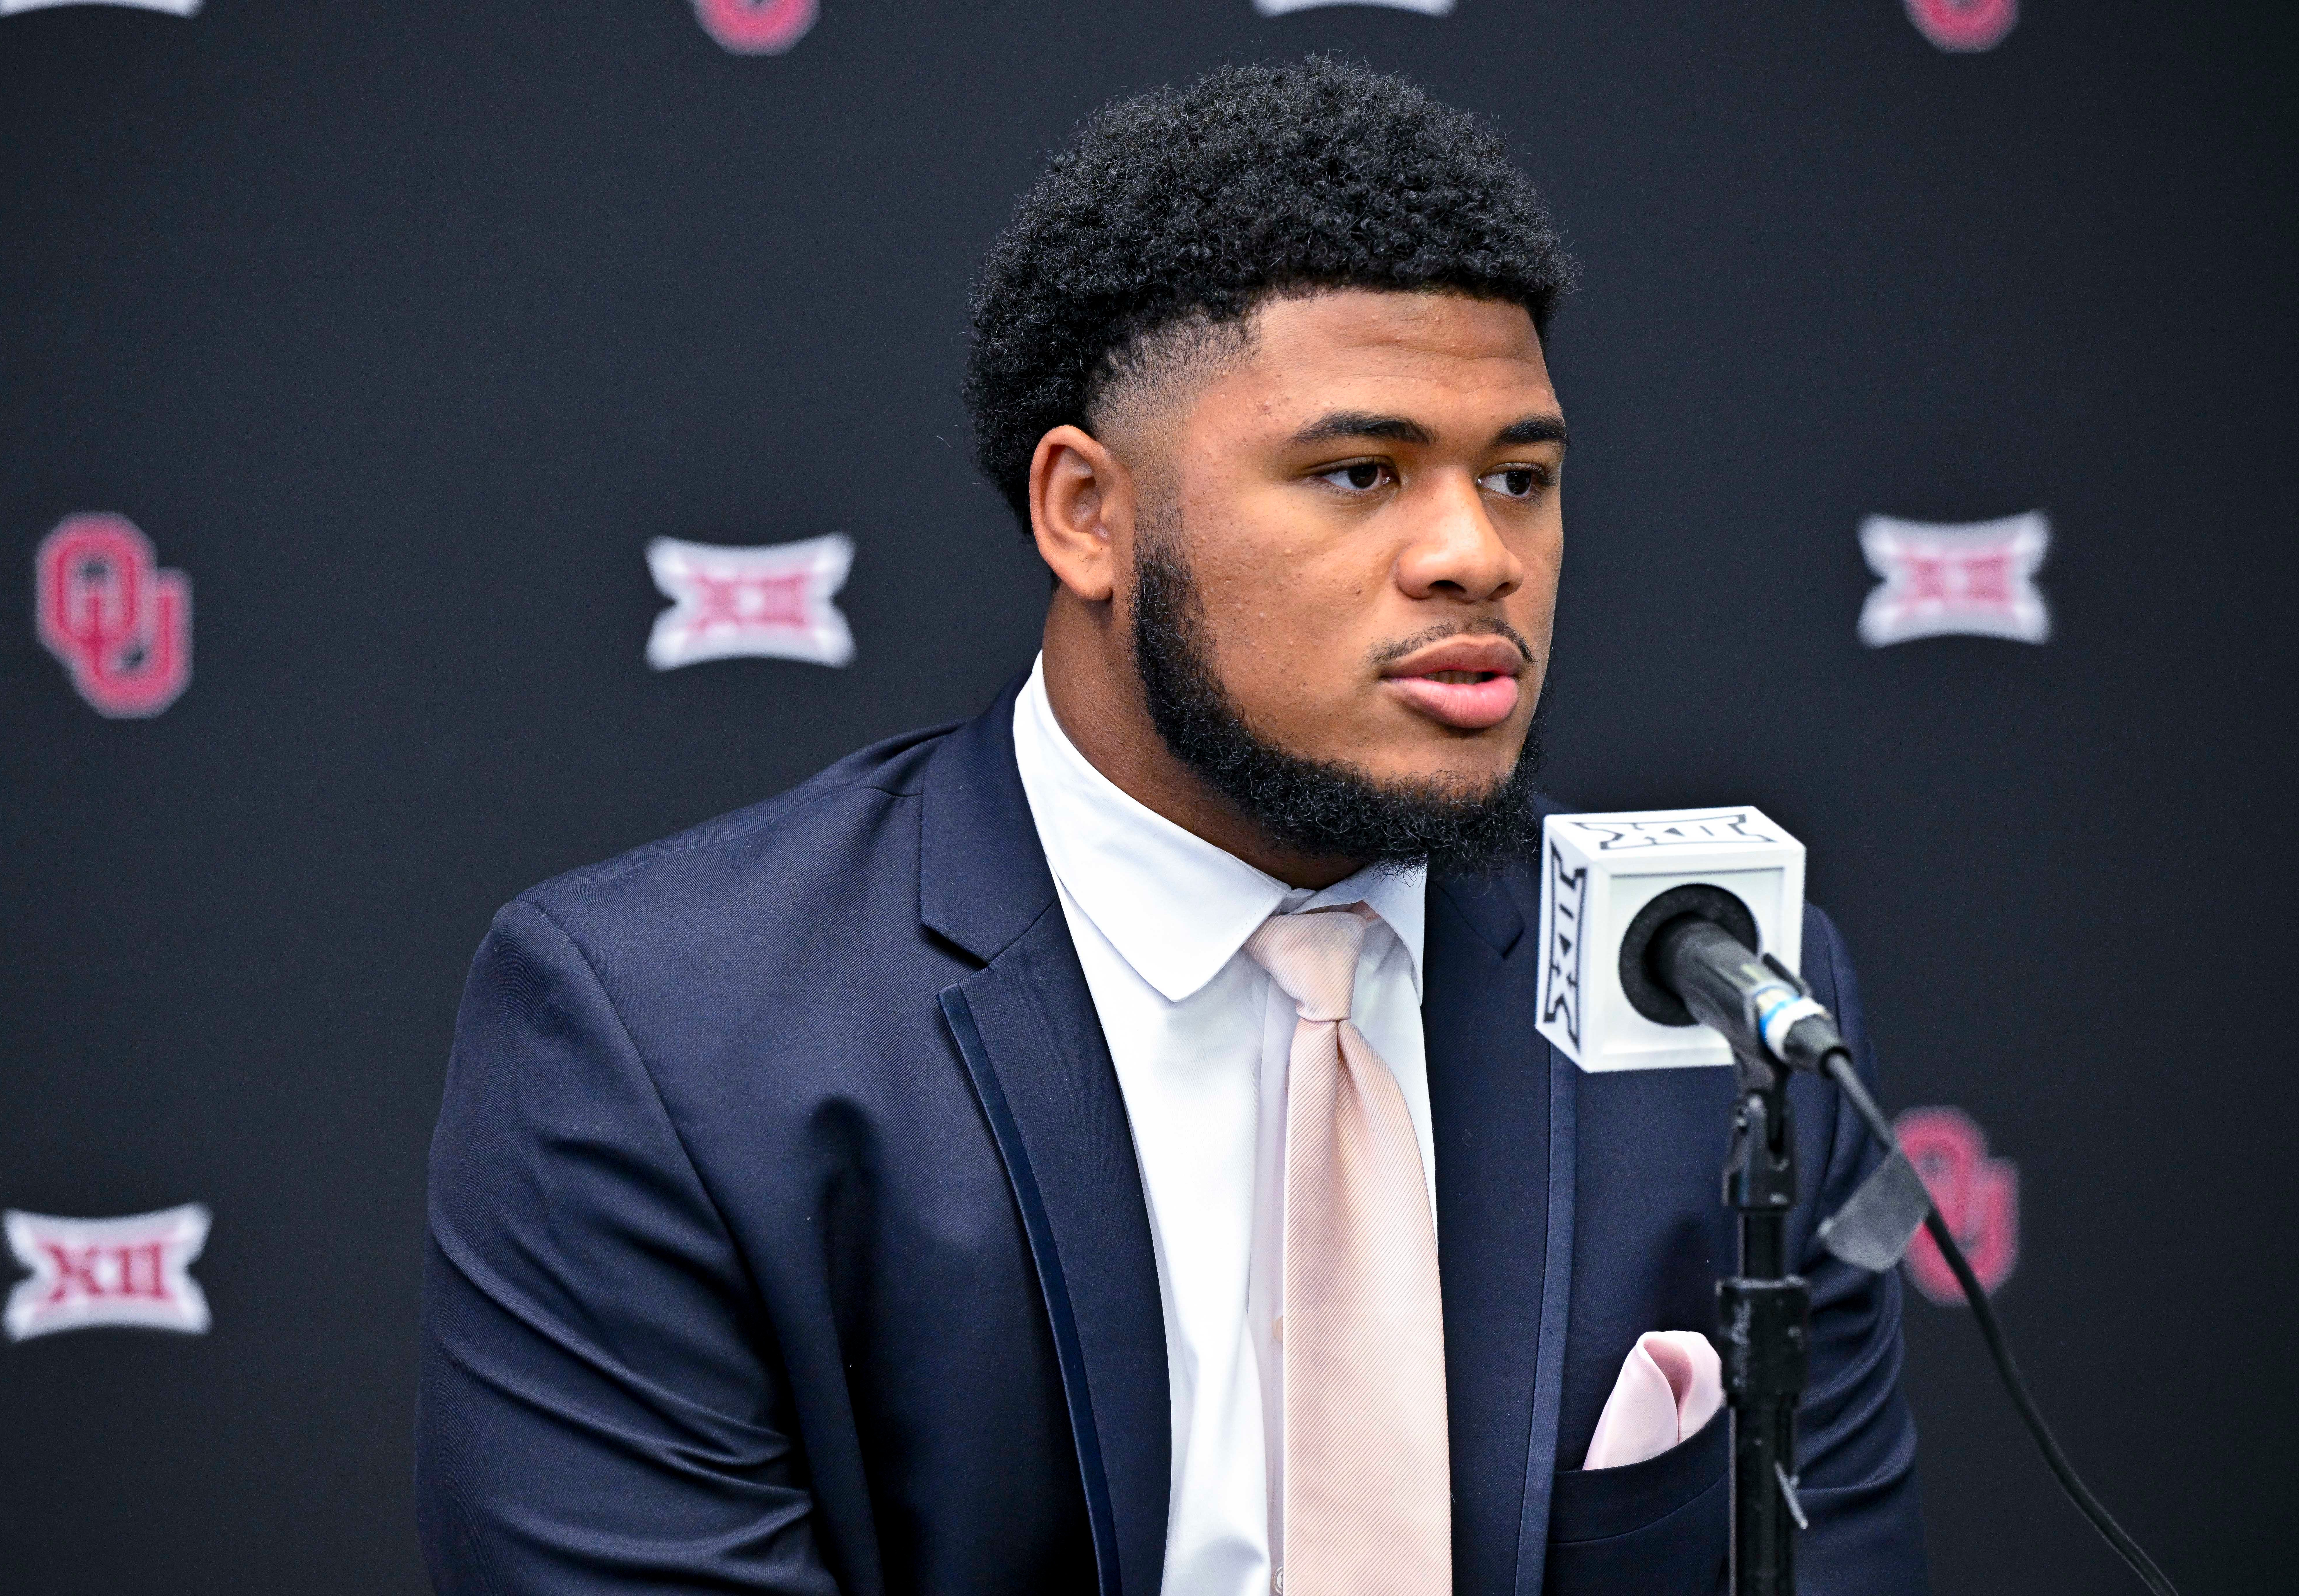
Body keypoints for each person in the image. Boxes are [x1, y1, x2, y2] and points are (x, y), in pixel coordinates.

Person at [416, 58, 1929, 1596]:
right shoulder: (667, 1035)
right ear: (1088, 513)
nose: (1478, 554)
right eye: (1358, 472)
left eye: (1521, 478)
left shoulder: (1723, 987)